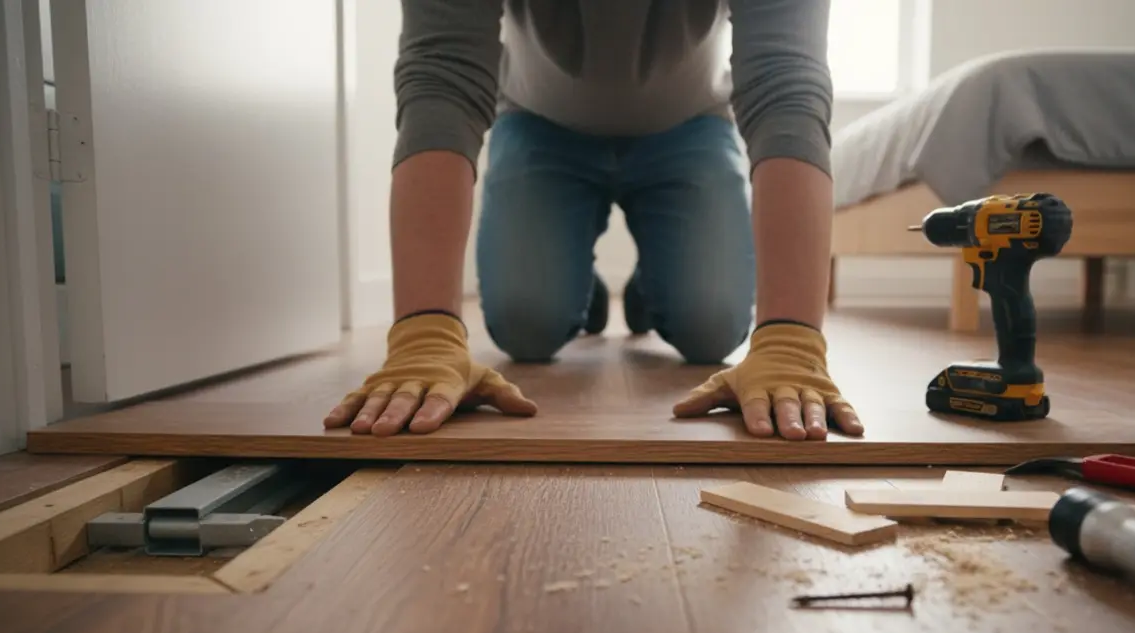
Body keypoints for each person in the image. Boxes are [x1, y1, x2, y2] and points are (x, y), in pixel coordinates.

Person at [324, 0, 864, 442]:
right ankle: (586, 292)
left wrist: (791, 342)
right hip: (539, 125)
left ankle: (651, 287)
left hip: (689, 127)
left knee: (711, 327)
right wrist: (423, 335)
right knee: (526, 325)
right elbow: (444, 76)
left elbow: (785, 83)